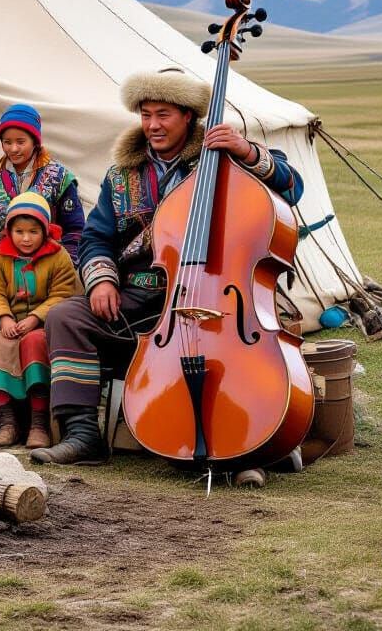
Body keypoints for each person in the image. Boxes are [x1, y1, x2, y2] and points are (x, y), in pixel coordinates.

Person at [31, 66, 304, 466]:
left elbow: (293, 187)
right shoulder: (121, 175)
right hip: (138, 299)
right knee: (66, 317)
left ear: (188, 116)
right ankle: (83, 434)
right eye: (145, 114)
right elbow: (95, 238)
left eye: (163, 115)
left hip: (218, 297)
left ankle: (254, 433)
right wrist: (102, 281)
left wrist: (247, 151)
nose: (152, 125)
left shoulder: (225, 160)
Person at [0, 192, 79, 448]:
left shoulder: (58, 256)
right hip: (10, 323)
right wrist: (3, 319)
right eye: (19, 231)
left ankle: (39, 424)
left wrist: (36, 318)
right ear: (9, 231)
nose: (26, 238)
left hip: (44, 325)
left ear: (45, 231)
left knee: (35, 342)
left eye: (33, 231)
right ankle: (8, 423)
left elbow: (63, 294)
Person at [0, 103, 85, 264]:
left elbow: (75, 229)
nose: (13, 149)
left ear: (34, 141)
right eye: (7, 142)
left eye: (21, 142)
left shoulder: (59, 177)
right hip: (4, 267)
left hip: (50, 265)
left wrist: (66, 266)